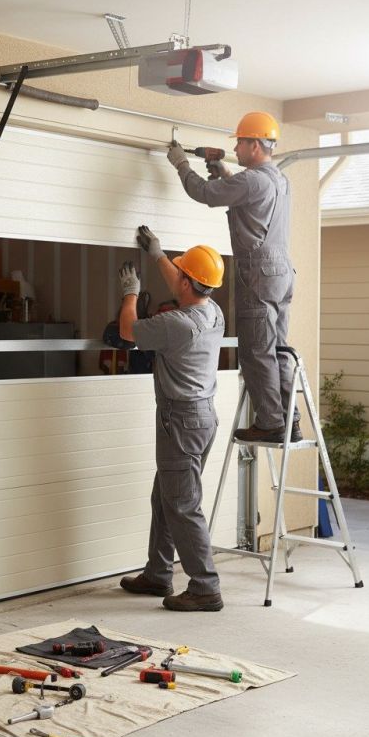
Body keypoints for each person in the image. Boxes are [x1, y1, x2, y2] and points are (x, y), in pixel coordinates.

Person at [166, 111, 300, 443]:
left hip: (258, 273)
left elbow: (206, 194)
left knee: (256, 350)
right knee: (278, 348)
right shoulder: (279, 180)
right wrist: (219, 169)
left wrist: (181, 163)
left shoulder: (252, 179)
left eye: (240, 142)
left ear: (255, 144)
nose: (236, 149)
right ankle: (290, 420)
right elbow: (244, 195)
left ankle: (270, 422)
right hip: (281, 272)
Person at [118, 228, 225, 611]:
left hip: (180, 421)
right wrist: (159, 255)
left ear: (186, 281)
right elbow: (185, 283)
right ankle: (159, 573)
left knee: (181, 503)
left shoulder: (177, 323)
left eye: (179, 272)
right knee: (166, 496)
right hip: (201, 417)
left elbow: (128, 331)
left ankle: (205, 586)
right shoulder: (212, 312)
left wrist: (130, 291)